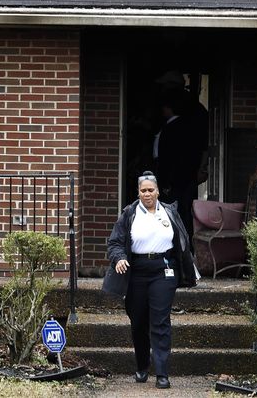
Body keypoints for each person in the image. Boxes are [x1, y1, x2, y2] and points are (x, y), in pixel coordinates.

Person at [103, 173, 197, 389]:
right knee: (138, 322)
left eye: (151, 190)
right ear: (138, 192)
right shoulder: (129, 213)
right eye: (143, 190)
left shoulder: (169, 211)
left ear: (157, 191)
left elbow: (182, 239)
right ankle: (142, 365)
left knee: (160, 320)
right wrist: (119, 258)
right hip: (136, 271)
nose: (147, 194)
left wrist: (187, 266)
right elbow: (115, 242)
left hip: (164, 270)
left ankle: (162, 373)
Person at [155, 90, 201, 242]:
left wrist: (166, 182)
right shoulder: (190, 127)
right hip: (187, 177)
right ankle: (186, 244)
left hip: (174, 180)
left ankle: (174, 244)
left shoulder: (171, 129)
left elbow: (167, 158)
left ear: (169, 109)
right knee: (185, 212)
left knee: (171, 213)